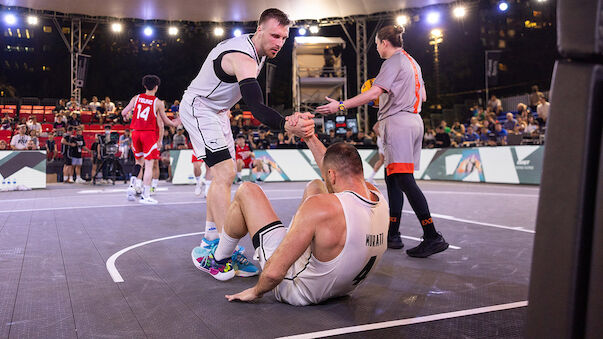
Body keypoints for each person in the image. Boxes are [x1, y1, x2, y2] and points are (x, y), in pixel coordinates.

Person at [179, 8, 313, 276]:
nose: (279, 43)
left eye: (284, 38)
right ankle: (219, 255)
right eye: (275, 35)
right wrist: (286, 125)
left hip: (218, 112)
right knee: (224, 174)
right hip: (200, 108)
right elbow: (256, 106)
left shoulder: (257, 50)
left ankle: (210, 239)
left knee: (224, 176)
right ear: (259, 29)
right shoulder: (243, 57)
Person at [210, 131, 389, 306]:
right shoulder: (378, 196)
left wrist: (256, 291)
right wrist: (309, 136)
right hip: (342, 287)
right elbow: (329, 168)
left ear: (332, 175)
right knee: (316, 185)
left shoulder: (320, 207)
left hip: (298, 288)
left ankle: (219, 259)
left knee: (247, 190)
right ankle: (297, 235)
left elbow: (273, 275)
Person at [316, 25, 448, 258]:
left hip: (398, 123)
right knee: (393, 178)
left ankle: (432, 235)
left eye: (377, 43)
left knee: (405, 180)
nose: (376, 48)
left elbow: (374, 93)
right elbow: (423, 96)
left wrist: (341, 105)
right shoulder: (413, 63)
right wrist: (392, 94)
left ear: (384, 43)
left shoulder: (392, 62)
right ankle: (393, 233)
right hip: (413, 120)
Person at [121, 75, 179, 204]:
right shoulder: (158, 102)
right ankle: (145, 195)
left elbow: (123, 112)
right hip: (148, 134)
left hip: (135, 133)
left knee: (138, 162)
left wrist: (127, 116)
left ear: (144, 86)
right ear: (156, 87)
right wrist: (176, 122)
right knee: (148, 165)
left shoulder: (136, 98)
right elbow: (165, 121)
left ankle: (131, 187)